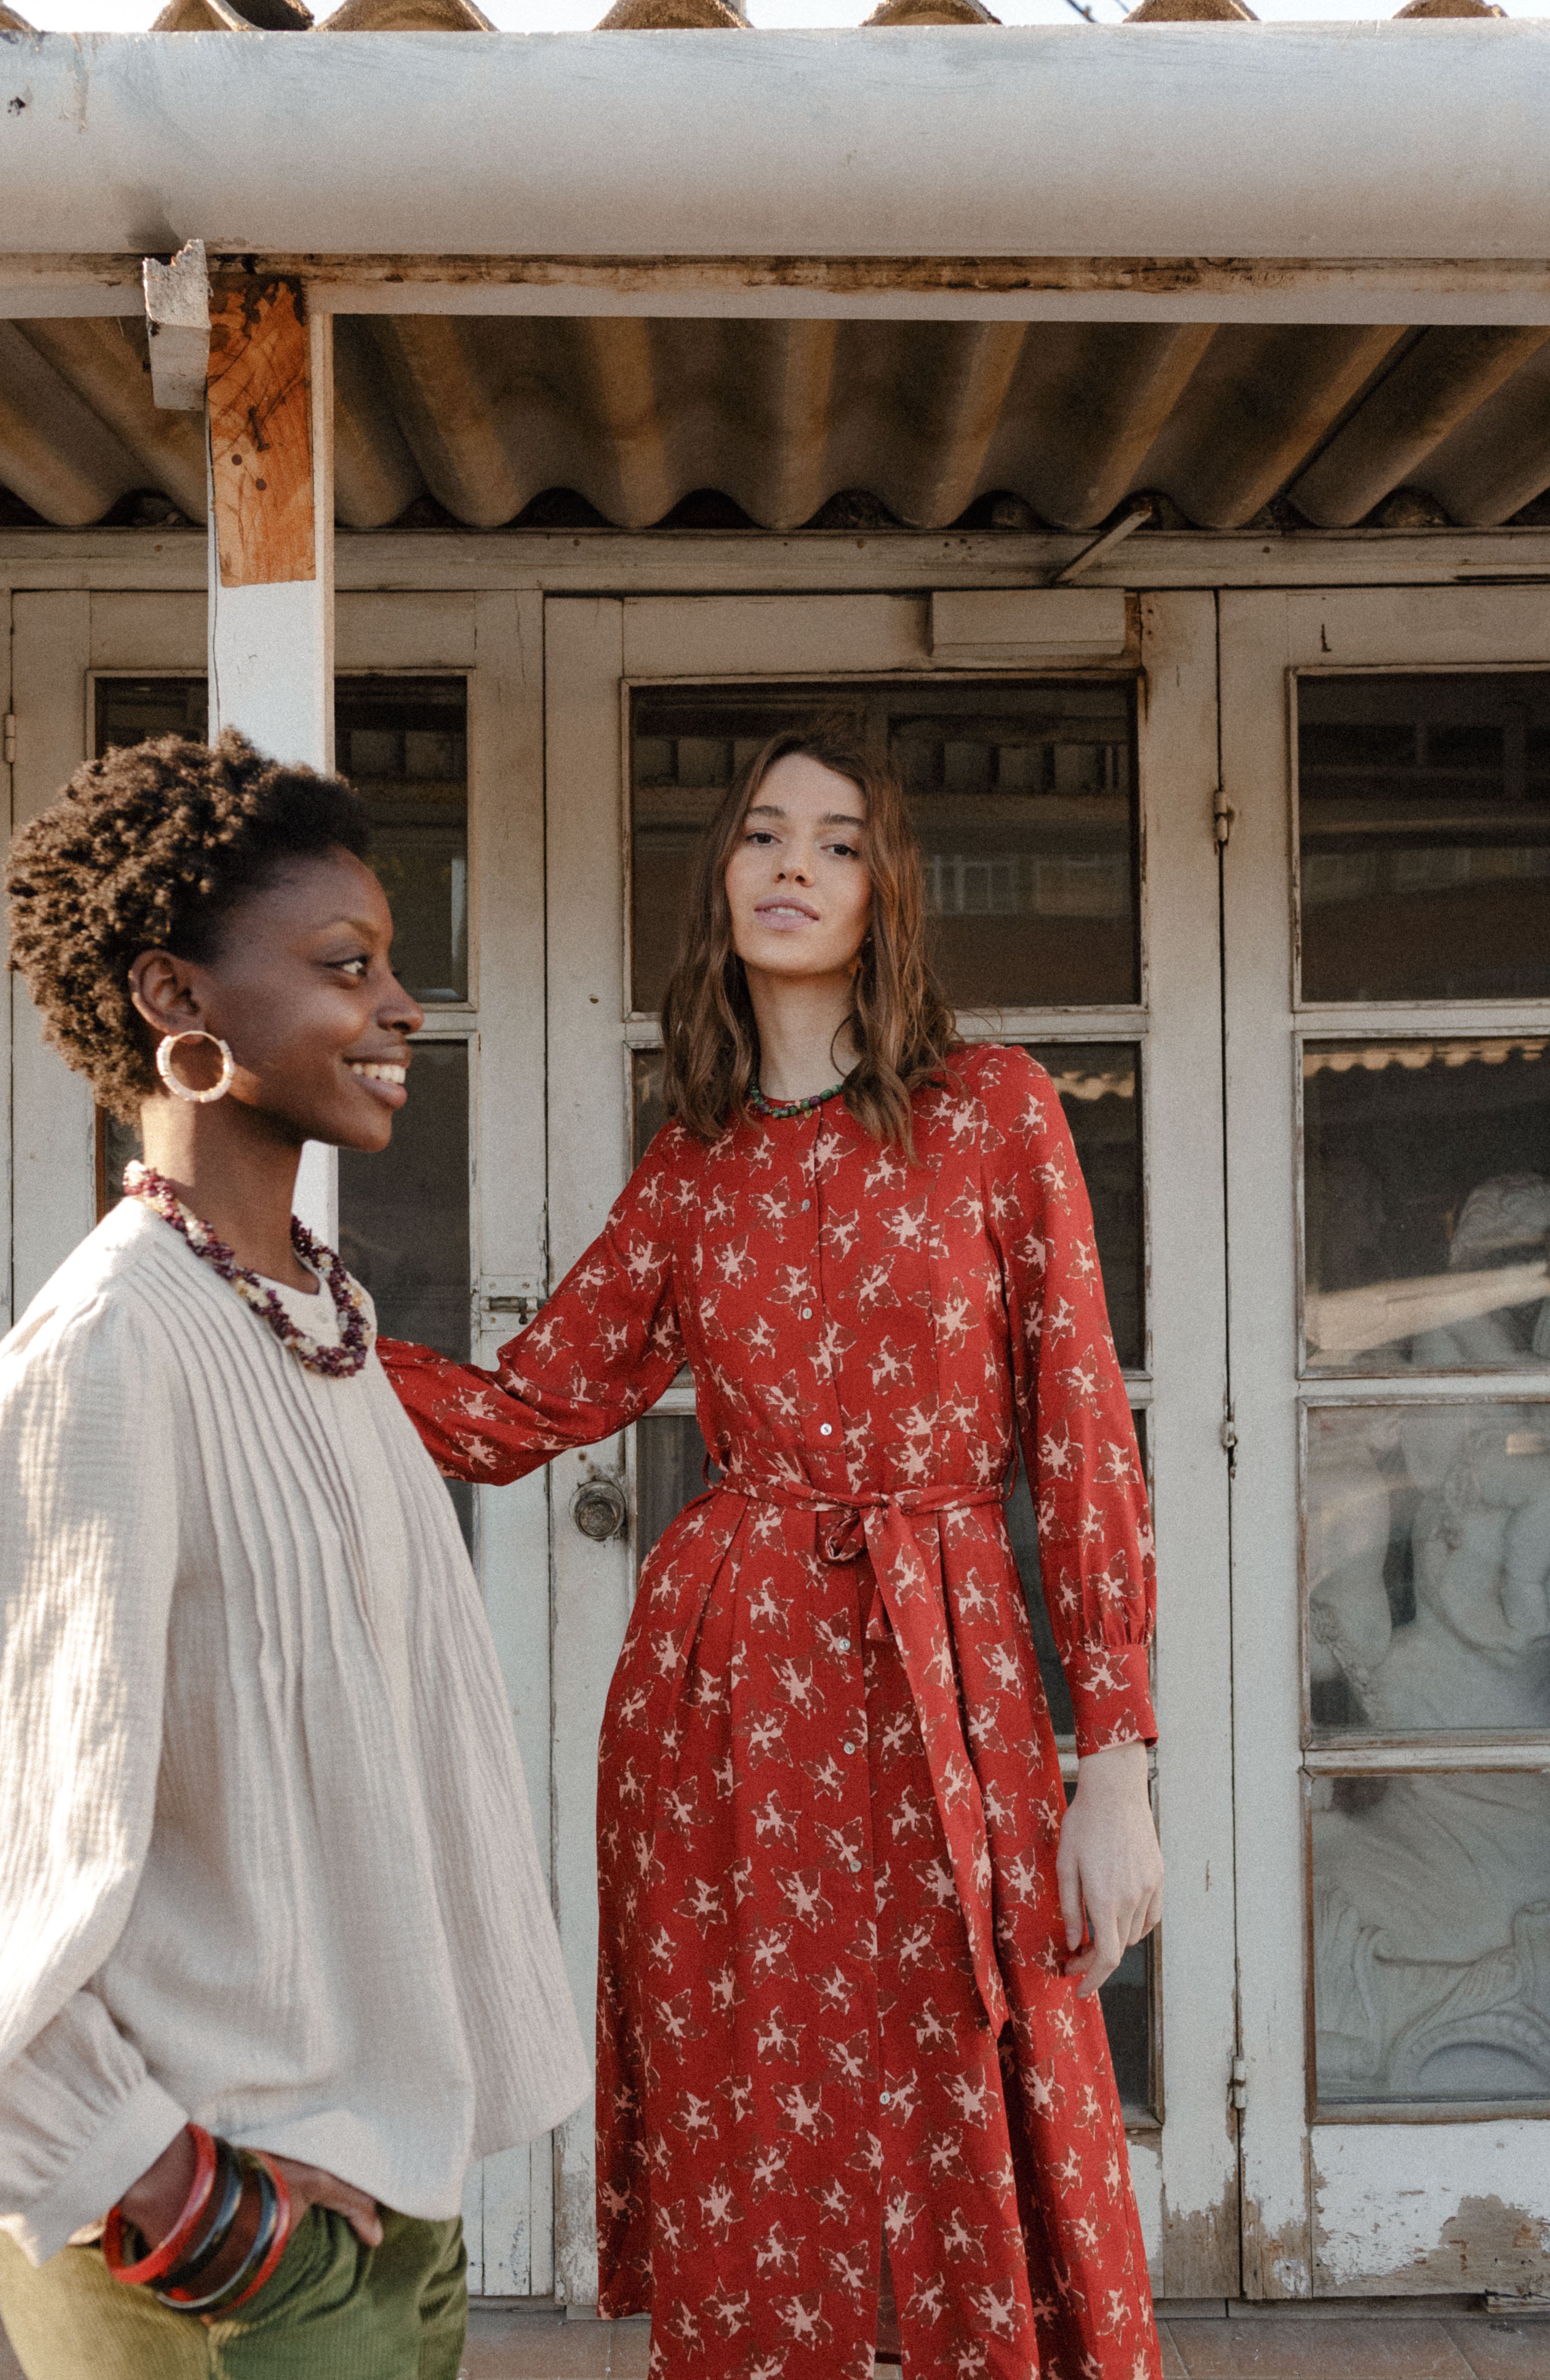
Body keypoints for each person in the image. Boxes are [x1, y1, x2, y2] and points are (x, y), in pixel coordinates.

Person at [380, 723, 1164, 2380]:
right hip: (730, 1684)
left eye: (838, 840)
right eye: (761, 836)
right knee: (763, 2091)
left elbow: (1087, 1434)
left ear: (891, 893)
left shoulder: (997, 1115)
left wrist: (1123, 1768)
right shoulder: (694, 1173)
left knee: (988, 2067)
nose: (793, 865)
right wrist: (295, 1335)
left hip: (956, 1661)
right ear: (721, 881)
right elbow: (526, 1410)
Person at [0, 731, 587, 2378]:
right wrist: (178, 2201)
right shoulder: (106, 1355)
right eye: (344, 967)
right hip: (215, 2256)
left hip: (379, 2213)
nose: (402, 1009)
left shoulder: (315, 1325)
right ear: (178, 1001)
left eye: (395, 967)